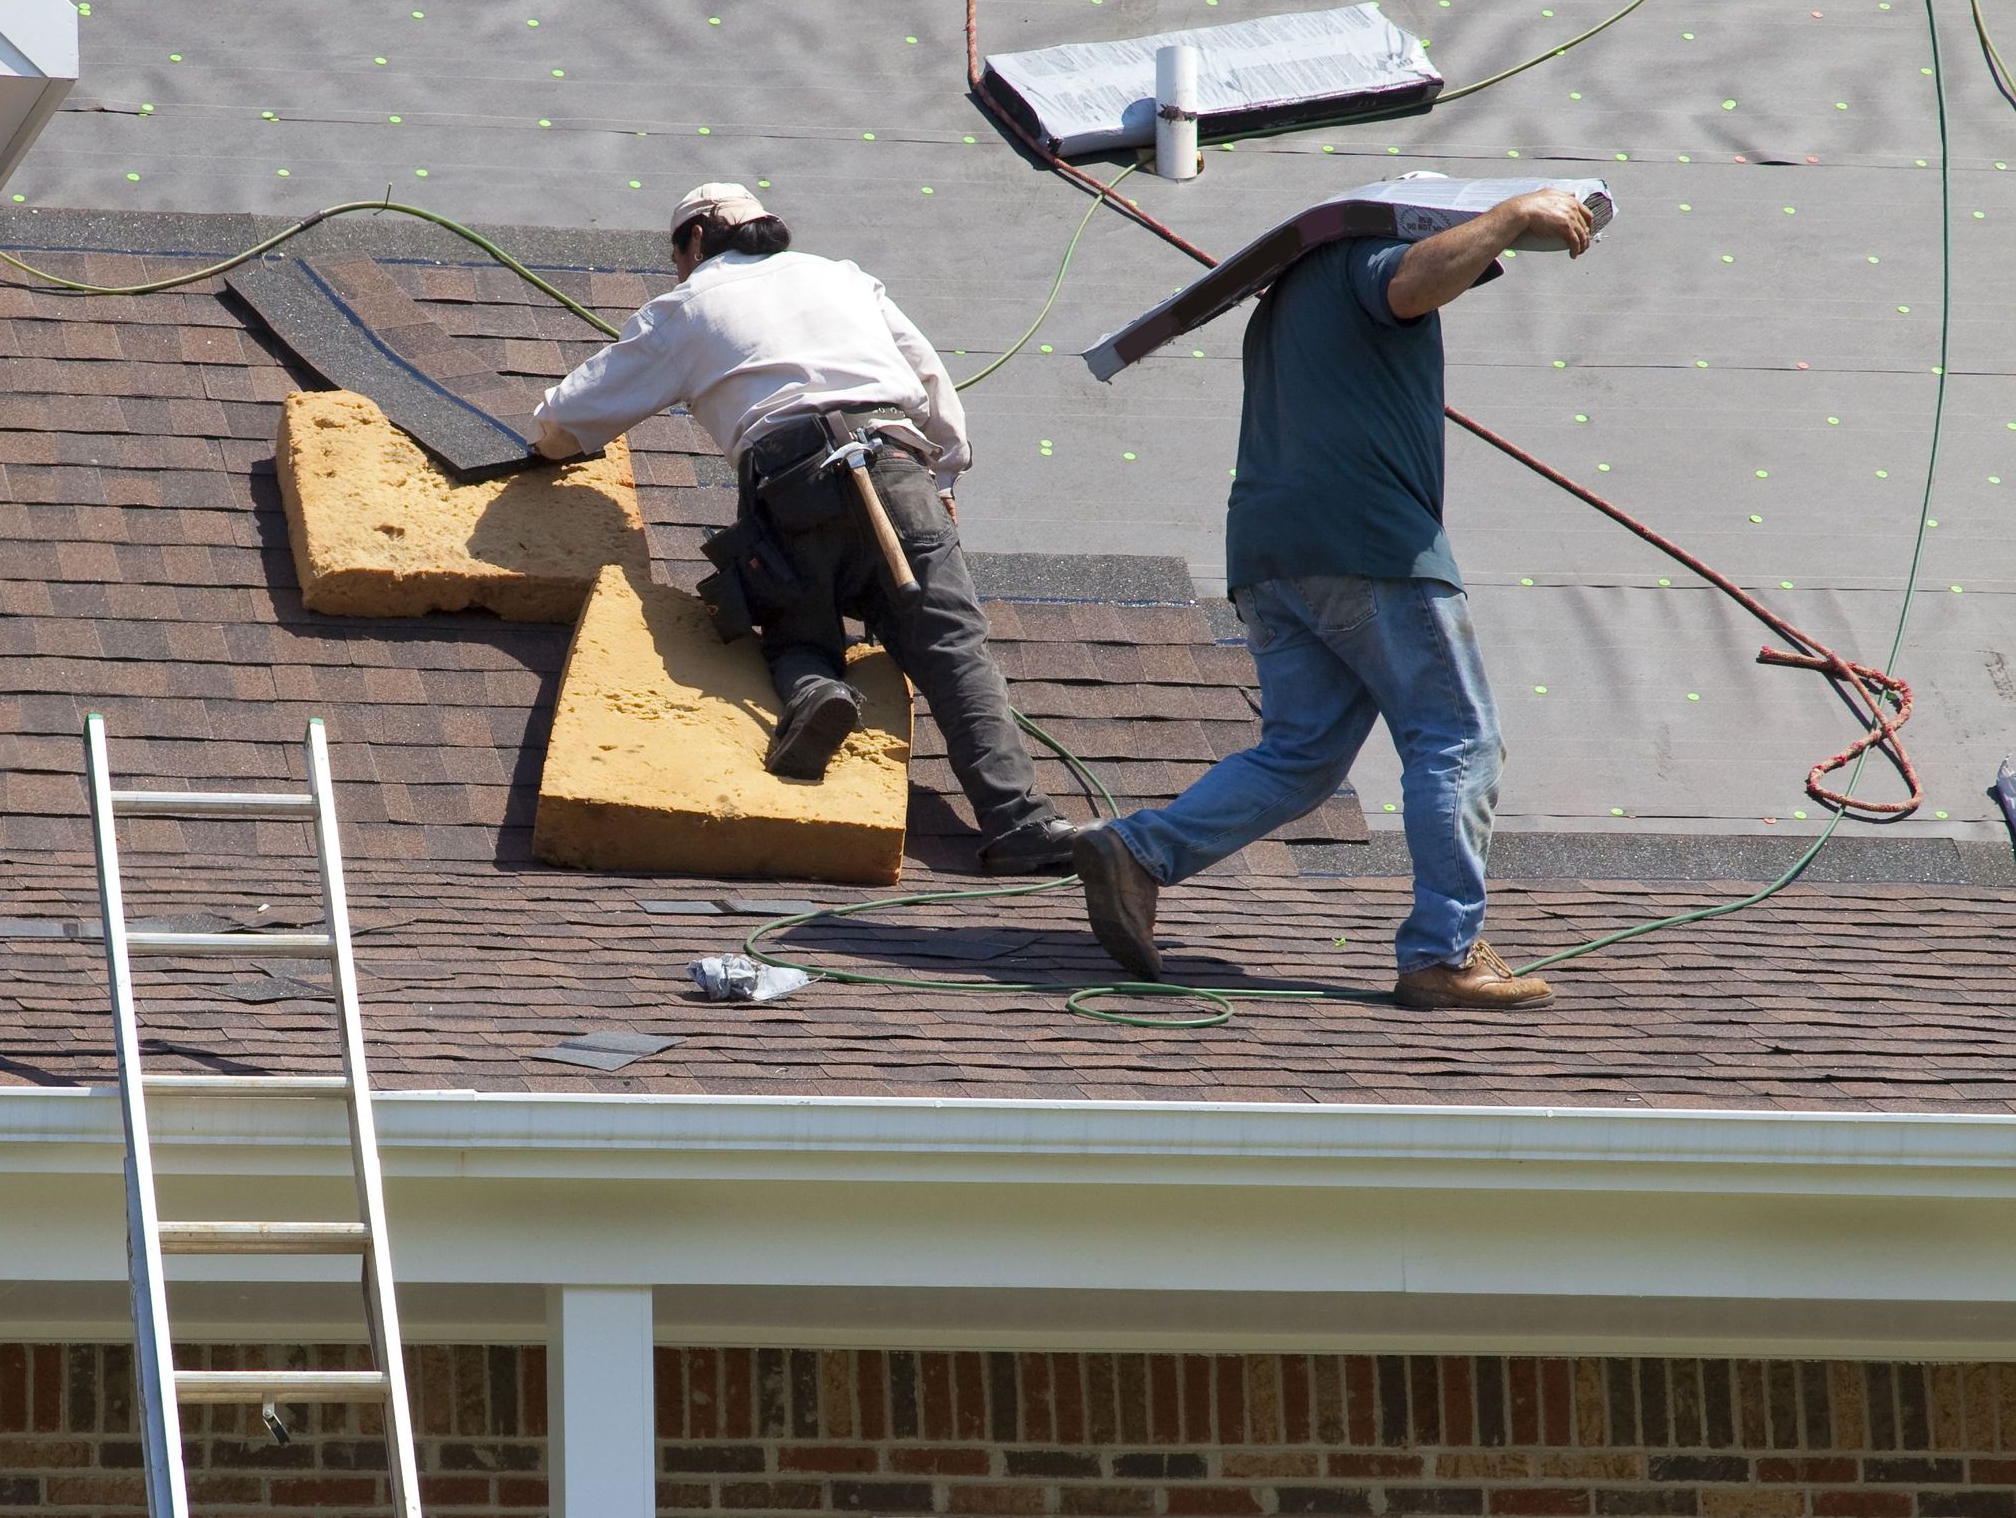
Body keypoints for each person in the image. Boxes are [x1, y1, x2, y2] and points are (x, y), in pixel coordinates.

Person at [1071, 184, 1600, 1010]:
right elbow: (1411, 282)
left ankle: (1138, 853)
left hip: (1271, 555)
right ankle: (1442, 953)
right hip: (1370, 547)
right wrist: (1508, 215)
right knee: (1457, 739)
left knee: (1301, 756)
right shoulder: (1368, 258)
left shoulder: (1287, 299)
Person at [529, 183, 1080, 872]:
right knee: (953, 649)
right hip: (894, 463)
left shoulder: (688, 305)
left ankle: (815, 689)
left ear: (696, 240)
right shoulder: (842, 277)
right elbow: (931, 381)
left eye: (677, 254)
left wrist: (541, 441)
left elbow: (570, 417)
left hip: (790, 483)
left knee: (796, 627)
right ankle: (1022, 826)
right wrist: (944, 477)